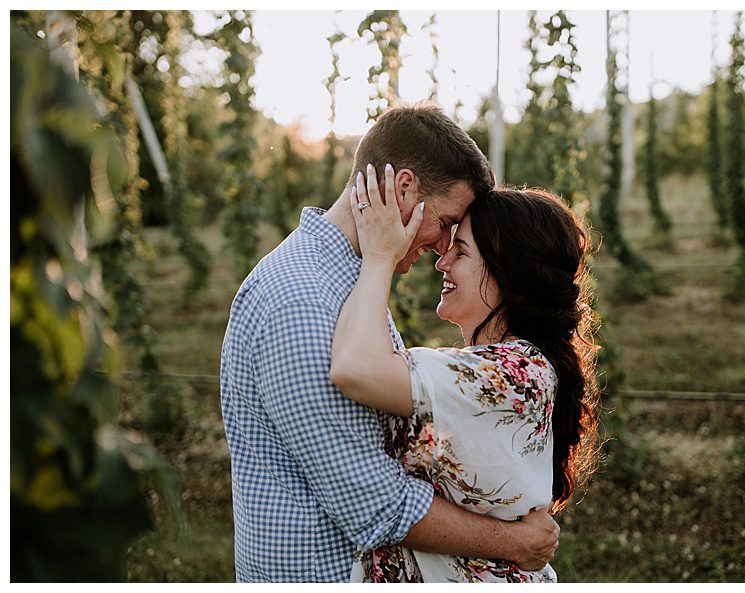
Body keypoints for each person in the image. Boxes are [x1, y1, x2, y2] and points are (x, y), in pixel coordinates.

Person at [219, 102, 558, 582]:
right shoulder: (301, 301)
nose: (443, 247)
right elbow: (374, 503)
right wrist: (517, 542)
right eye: (446, 222)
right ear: (404, 189)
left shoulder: (347, 283)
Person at [330, 168, 601, 582]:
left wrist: (380, 257)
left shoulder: (513, 373)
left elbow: (355, 368)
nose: (441, 261)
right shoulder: (499, 368)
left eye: (460, 251)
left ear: (505, 273)